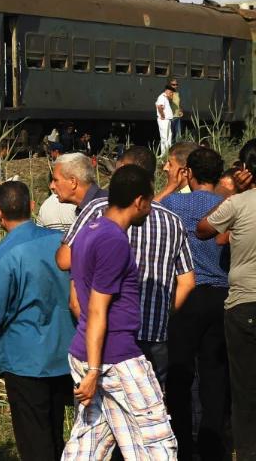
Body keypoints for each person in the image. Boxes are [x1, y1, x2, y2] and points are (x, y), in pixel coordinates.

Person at [62, 164, 177, 459]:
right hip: (116, 356)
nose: (150, 209)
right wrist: (94, 370)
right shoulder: (114, 240)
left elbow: (78, 299)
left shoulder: (90, 229)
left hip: (87, 348)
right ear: (139, 200)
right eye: (150, 202)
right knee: (157, 441)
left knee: (91, 439)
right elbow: (99, 309)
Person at [57, 146, 194, 386]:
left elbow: (65, 259)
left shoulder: (98, 214)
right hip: (152, 333)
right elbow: (187, 281)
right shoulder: (173, 221)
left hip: (106, 336)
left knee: (103, 412)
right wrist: (162, 313)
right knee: (150, 410)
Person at [0, 182, 75, 461]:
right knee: (56, 429)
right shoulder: (61, 241)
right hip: (63, 350)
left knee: (34, 437)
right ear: (32, 206)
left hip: (25, 359)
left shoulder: (5, 256)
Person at [160, 148, 230, 459]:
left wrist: (172, 184)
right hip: (220, 293)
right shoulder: (228, 205)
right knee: (214, 373)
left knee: (180, 371)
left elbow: (148, 210)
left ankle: (183, 444)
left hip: (186, 293)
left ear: (189, 172)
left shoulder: (175, 203)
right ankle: (213, 443)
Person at [196, 138, 256, 460]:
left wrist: (230, 193)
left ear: (245, 170)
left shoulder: (238, 203)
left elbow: (204, 229)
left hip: (244, 306)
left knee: (245, 392)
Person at [156, 83, 175, 155]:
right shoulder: (162, 97)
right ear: (167, 91)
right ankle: (164, 154)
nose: (171, 94)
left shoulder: (165, 98)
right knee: (164, 137)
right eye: (171, 92)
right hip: (164, 120)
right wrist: (162, 115)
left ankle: (168, 152)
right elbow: (159, 106)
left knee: (169, 136)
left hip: (167, 120)